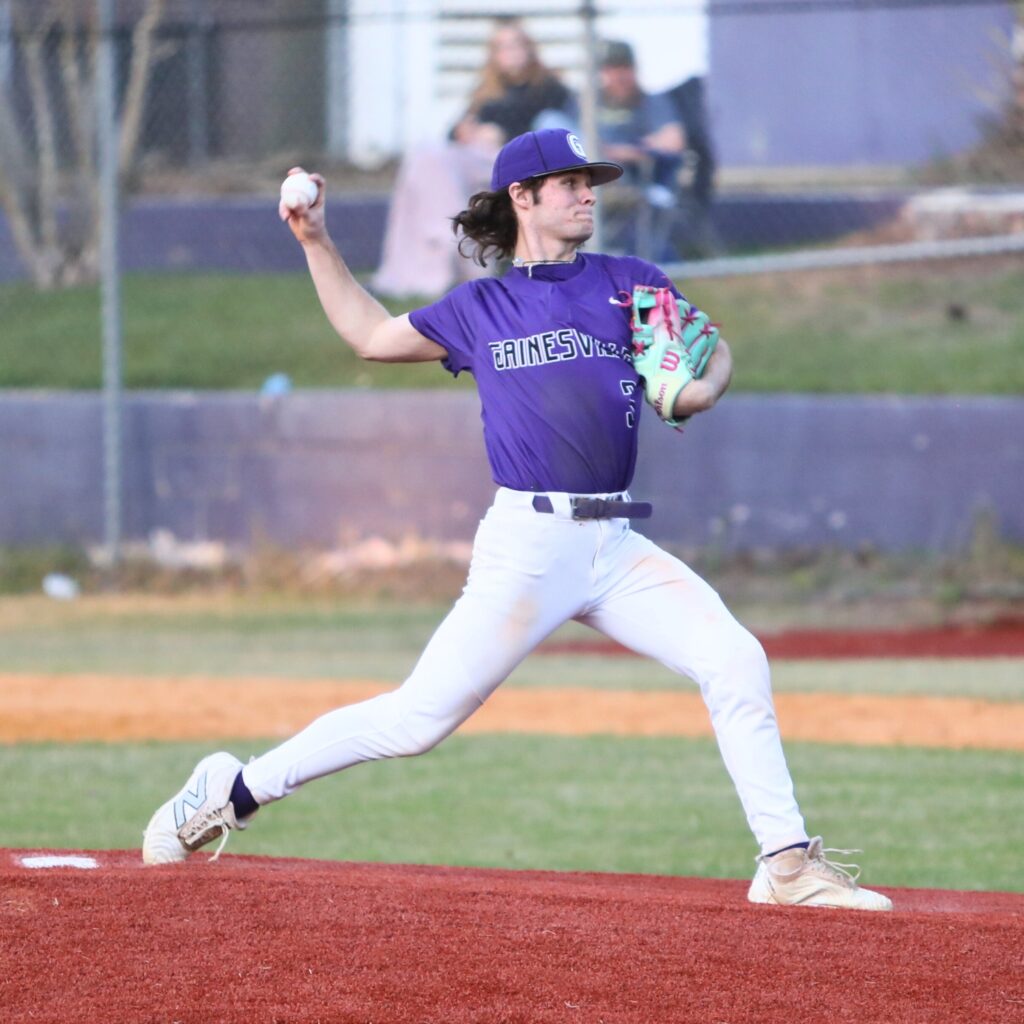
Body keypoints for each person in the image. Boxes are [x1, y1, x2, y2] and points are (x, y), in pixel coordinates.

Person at [143, 128, 892, 912]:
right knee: (416, 721)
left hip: (615, 541)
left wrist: (705, 385)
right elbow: (368, 335)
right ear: (522, 199)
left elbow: (712, 353)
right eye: (567, 182)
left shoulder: (631, 282)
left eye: (589, 181)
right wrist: (316, 239)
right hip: (530, 546)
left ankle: (785, 865)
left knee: (736, 659)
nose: (587, 193)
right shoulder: (484, 306)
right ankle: (231, 790)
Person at [371, 18, 575, 299]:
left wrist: (497, 132)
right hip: (475, 160)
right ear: (494, 55)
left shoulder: (549, 88)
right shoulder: (486, 90)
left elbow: (542, 127)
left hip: (516, 164)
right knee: (423, 157)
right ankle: (420, 265)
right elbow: (455, 130)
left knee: (437, 165)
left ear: (530, 49)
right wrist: (466, 130)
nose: (511, 52)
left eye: (516, 44)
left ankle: (456, 260)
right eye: (502, 47)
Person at [594, 41, 686, 259]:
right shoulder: (587, 102)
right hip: (591, 174)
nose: (618, 76)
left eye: (624, 68)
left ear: (634, 69)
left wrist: (629, 150)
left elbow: (674, 139)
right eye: (611, 69)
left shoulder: (651, 102)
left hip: (636, 177)